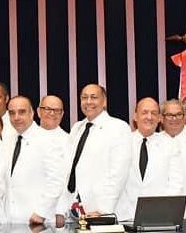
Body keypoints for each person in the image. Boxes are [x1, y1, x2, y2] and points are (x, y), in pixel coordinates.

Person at [56, 84, 131, 221]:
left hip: (102, 211)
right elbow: (68, 169)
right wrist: (61, 209)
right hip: (75, 209)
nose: (88, 102)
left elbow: (119, 173)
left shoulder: (119, 127)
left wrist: (103, 211)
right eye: (84, 98)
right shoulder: (77, 128)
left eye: (94, 97)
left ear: (104, 101)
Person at [115, 98, 183, 221]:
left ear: (159, 118)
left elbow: (175, 183)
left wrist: (164, 212)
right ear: (135, 117)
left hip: (158, 217)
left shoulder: (170, 145)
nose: (149, 117)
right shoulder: (122, 142)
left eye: (154, 113)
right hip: (124, 216)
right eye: (144, 112)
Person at [4, 96, 65, 225]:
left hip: (39, 221)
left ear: (32, 113)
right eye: (12, 113)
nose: (16, 117)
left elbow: (57, 181)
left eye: (22, 112)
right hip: (10, 221)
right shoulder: (8, 141)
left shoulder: (48, 140)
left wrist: (41, 213)